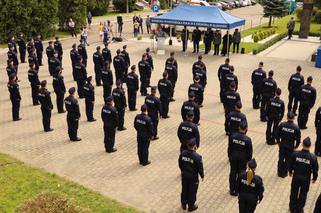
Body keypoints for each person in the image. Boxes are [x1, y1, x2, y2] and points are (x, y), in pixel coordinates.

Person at [288, 137, 319, 213]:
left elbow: (290, 164)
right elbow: (315, 169)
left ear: (302, 144)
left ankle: (292, 207)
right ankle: (299, 209)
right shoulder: (313, 158)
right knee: (303, 194)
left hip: (296, 177)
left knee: (294, 192)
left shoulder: (295, 154)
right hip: (306, 179)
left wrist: (290, 171)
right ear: (310, 146)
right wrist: (314, 178)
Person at [178, 139, 204, 212]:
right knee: (192, 191)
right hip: (193, 177)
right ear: (195, 146)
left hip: (185, 176)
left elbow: (180, 164)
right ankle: (191, 206)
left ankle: (183, 204)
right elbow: (200, 167)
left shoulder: (182, 154)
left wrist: (183, 171)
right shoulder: (197, 157)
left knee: (184, 189)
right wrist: (202, 175)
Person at [228, 121, 253, 196]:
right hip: (243, 159)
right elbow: (249, 152)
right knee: (241, 174)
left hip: (234, 157)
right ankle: (238, 189)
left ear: (239, 127)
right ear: (246, 129)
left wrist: (230, 156)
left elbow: (230, 148)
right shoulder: (247, 140)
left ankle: (232, 189)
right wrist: (248, 161)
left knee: (233, 172)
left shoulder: (233, 136)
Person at [276, 111, 301, 178]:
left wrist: (278, 142)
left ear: (287, 117)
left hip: (283, 144)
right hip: (290, 145)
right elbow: (298, 139)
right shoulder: (296, 127)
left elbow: (277, 135)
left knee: (281, 159)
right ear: (294, 118)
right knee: (288, 160)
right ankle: (284, 173)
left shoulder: (282, 125)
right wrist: (296, 146)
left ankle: (279, 172)